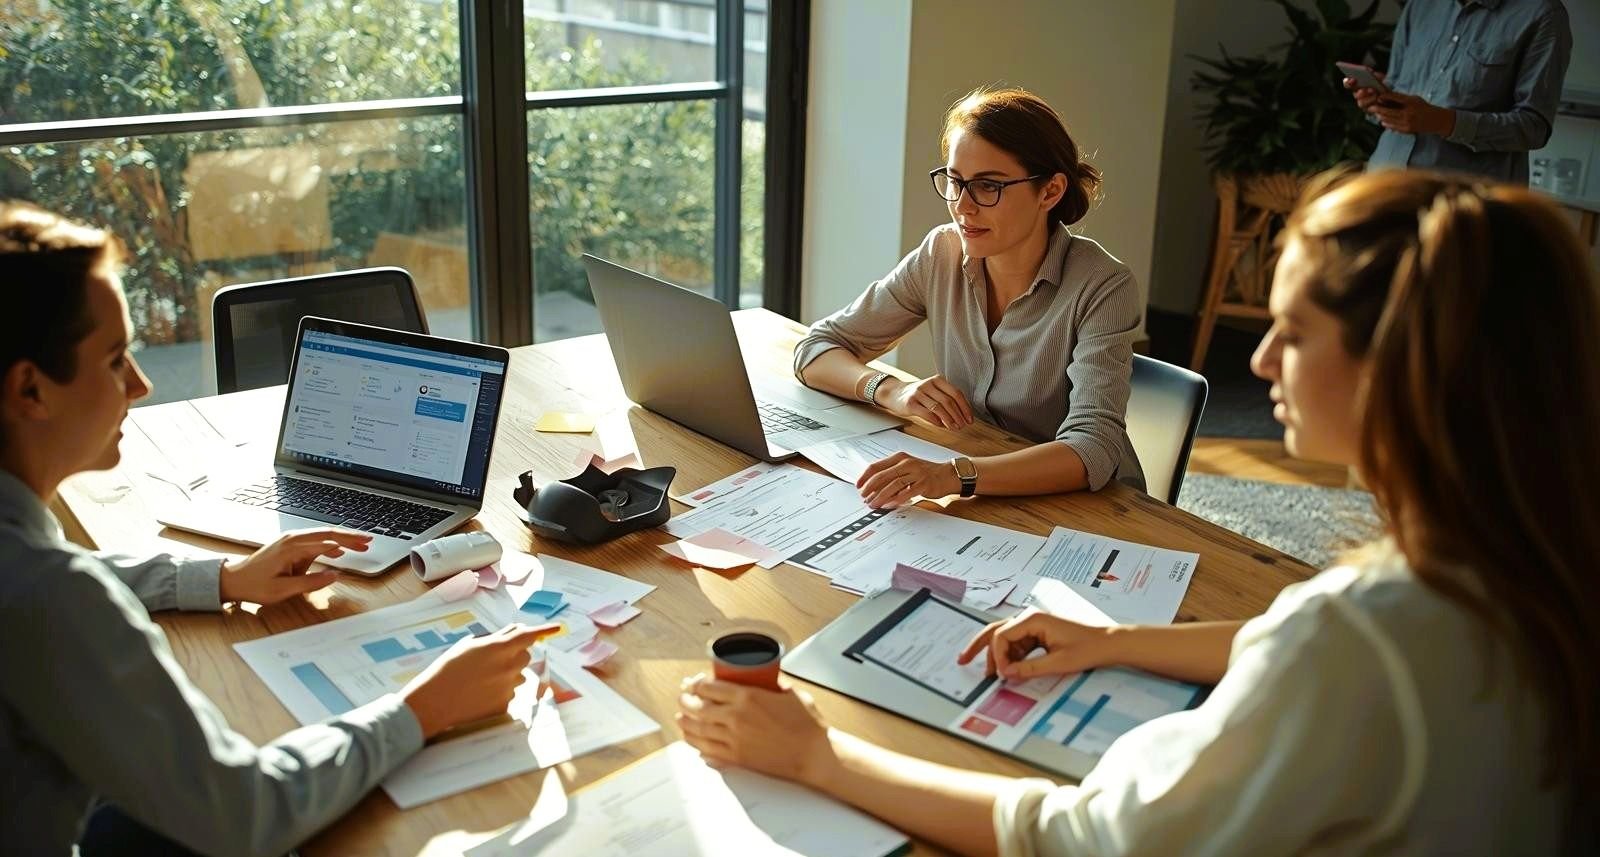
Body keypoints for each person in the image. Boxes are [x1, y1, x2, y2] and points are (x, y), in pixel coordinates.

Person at [679, 169, 1598, 854]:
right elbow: (1302, 637)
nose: (1261, 362)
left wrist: (819, 755)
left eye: (1294, 332)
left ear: (1401, 367)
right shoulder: (1529, 560)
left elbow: (1087, 837)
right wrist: (1114, 639)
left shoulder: (1358, 633)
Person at [0, 201, 551, 857]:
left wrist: (223, 577)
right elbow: (246, 815)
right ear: (30, 391)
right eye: (117, 359)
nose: (141, 385)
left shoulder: (28, 568)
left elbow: (53, 582)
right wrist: (423, 708)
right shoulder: (50, 595)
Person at [793, 87, 1143, 508]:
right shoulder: (940, 253)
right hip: (980, 490)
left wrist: (952, 475)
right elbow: (817, 349)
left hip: (1087, 506)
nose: (963, 207)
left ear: (1050, 192)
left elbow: (1093, 448)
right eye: (955, 182)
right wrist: (889, 391)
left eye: (988, 186)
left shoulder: (1104, 285)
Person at [1348, 0, 1572, 185]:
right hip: (1384, 183)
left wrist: (1444, 122)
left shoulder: (1543, 14)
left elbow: (1534, 128)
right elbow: (1396, 84)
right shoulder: (1420, 5)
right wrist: (1378, 99)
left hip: (1464, 203)